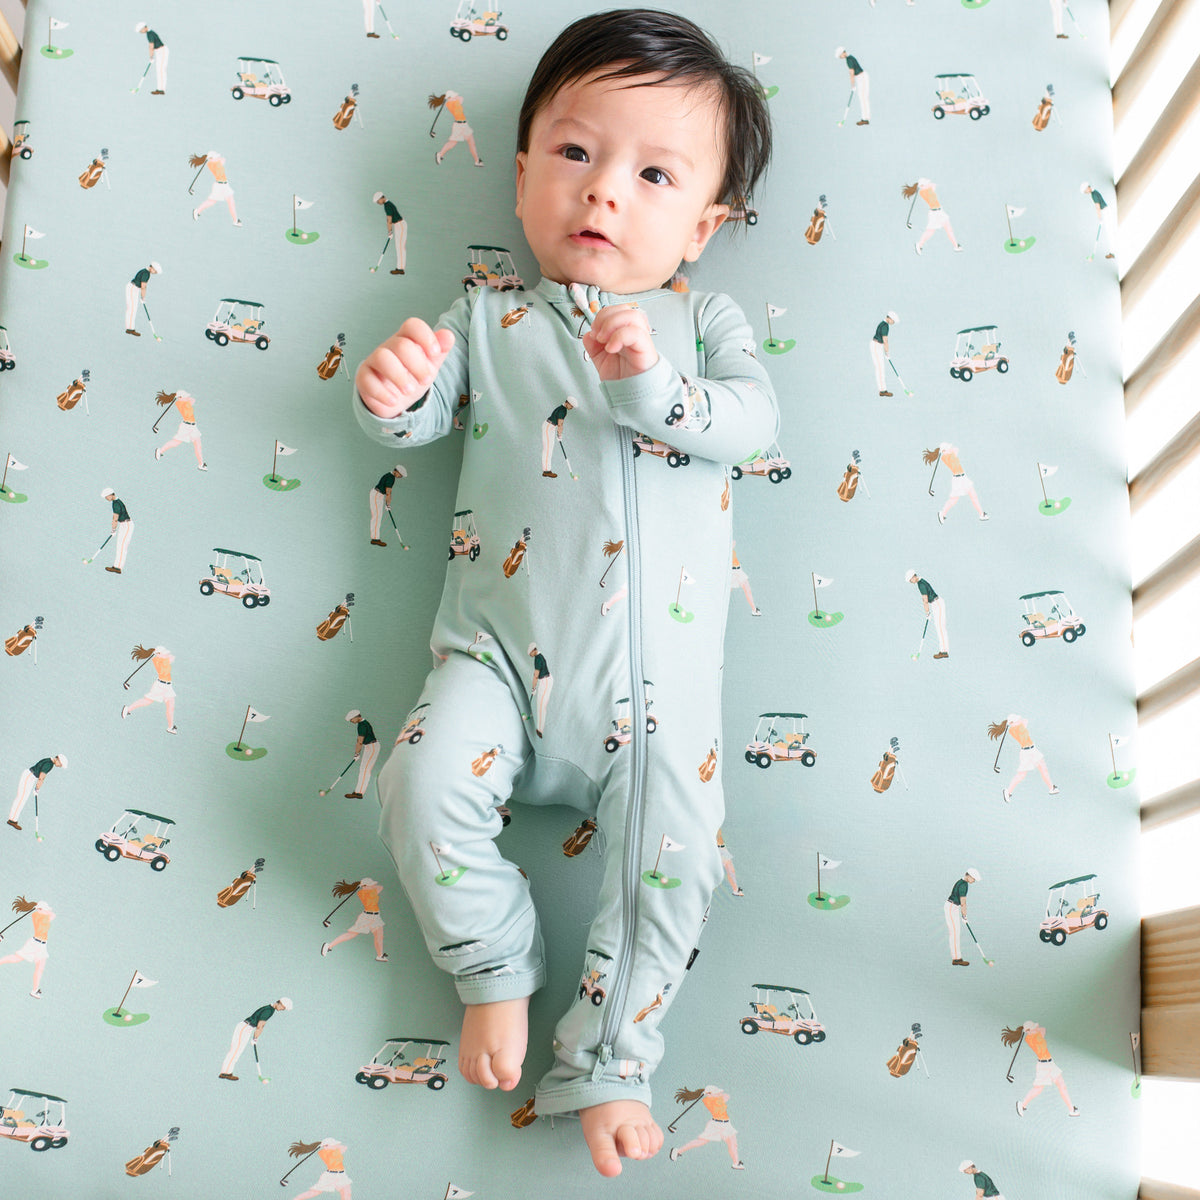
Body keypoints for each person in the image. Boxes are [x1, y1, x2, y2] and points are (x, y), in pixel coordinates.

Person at [351, 9, 775, 1178]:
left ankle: (609, 1059)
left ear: (705, 224)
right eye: (576, 154)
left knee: (675, 859)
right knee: (418, 784)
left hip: (658, 697)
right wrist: (392, 391)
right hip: (492, 659)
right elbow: (417, 416)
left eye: (652, 175)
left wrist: (656, 392)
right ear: (526, 167)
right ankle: (493, 964)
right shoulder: (486, 320)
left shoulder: (704, 325)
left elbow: (753, 424)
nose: (604, 194)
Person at [218, 997, 292, 1080]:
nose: (283, 1010)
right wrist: (255, 1038)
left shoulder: (270, 1009)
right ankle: (225, 1073)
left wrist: (254, 1038)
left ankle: (228, 1072)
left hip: (248, 1028)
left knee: (238, 1050)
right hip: (245, 1027)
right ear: (281, 1003)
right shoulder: (269, 1010)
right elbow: (260, 1026)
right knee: (235, 1050)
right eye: (283, 1008)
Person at [7, 755, 66, 831]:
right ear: (59, 760)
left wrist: (36, 788)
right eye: (60, 765)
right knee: (21, 798)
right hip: (29, 777)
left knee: (22, 798)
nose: (60, 766)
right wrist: (37, 789)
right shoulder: (49, 764)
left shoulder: (49, 760)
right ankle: (12, 820)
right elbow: (41, 778)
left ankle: (13, 819)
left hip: (31, 777)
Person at [944, 868, 980, 966]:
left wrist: (963, 915)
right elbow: (963, 903)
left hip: (953, 907)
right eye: (974, 879)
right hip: (951, 907)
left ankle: (957, 957)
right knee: (954, 933)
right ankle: (956, 959)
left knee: (956, 932)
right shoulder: (963, 885)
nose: (974, 881)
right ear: (969, 876)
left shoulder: (961, 882)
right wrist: (964, 916)